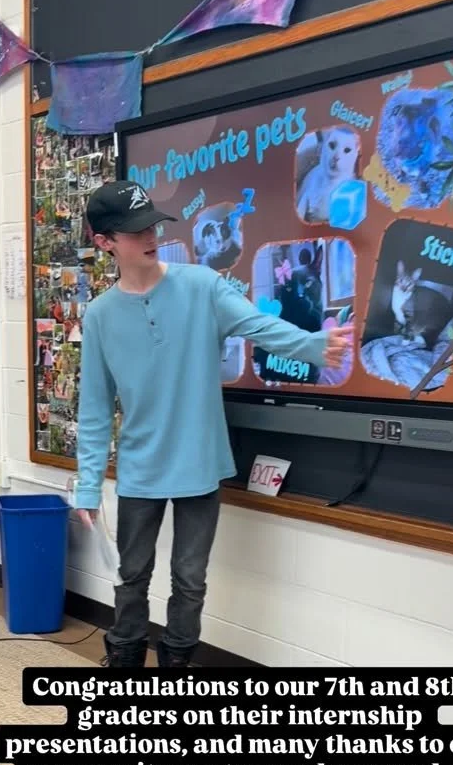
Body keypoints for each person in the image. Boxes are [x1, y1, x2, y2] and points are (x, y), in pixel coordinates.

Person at [74, 180, 353, 670]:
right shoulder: (99, 316)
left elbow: (259, 326)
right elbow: (95, 409)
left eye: (153, 225)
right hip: (140, 468)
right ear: (105, 241)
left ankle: (177, 668)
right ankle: (124, 662)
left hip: (199, 464)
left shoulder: (202, 286)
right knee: (131, 575)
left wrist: (312, 345)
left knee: (190, 580)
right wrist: (88, 486)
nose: (151, 235)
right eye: (136, 230)